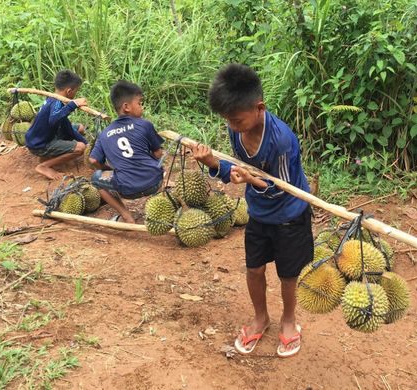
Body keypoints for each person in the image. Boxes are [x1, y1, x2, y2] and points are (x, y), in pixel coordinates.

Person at [192, 64, 312, 357]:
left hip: (289, 214)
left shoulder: (281, 140)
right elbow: (237, 170)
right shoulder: (237, 130)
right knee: (254, 268)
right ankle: (261, 317)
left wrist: (248, 179)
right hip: (258, 213)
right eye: (227, 120)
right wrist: (212, 164)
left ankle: (288, 320)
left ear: (260, 107)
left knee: (288, 274)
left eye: (236, 119)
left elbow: (281, 187)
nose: (232, 126)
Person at [88, 81, 164, 223]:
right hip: (154, 184)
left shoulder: (104, 134)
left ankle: (126, 215)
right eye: (140, 103)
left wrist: (108, 169)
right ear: (126, 107)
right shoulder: (145, 124)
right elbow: (158, 154)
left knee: (95, 178)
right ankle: (160, 203)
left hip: (127, 190)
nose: (142, 107)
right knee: (158, 165)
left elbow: (93, 161)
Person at [25, 69, 89, 180]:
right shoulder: (57, 103)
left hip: (42, 136)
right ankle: (44, 166)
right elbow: (53, 120)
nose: (76, 95)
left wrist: (87, 143)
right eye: (76, 91)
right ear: (69, 91)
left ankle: (52, 154)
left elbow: (67, 127)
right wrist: (72, 105)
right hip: (39, 144)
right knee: (80, 148)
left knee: (80, 128)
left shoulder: (53, 98)